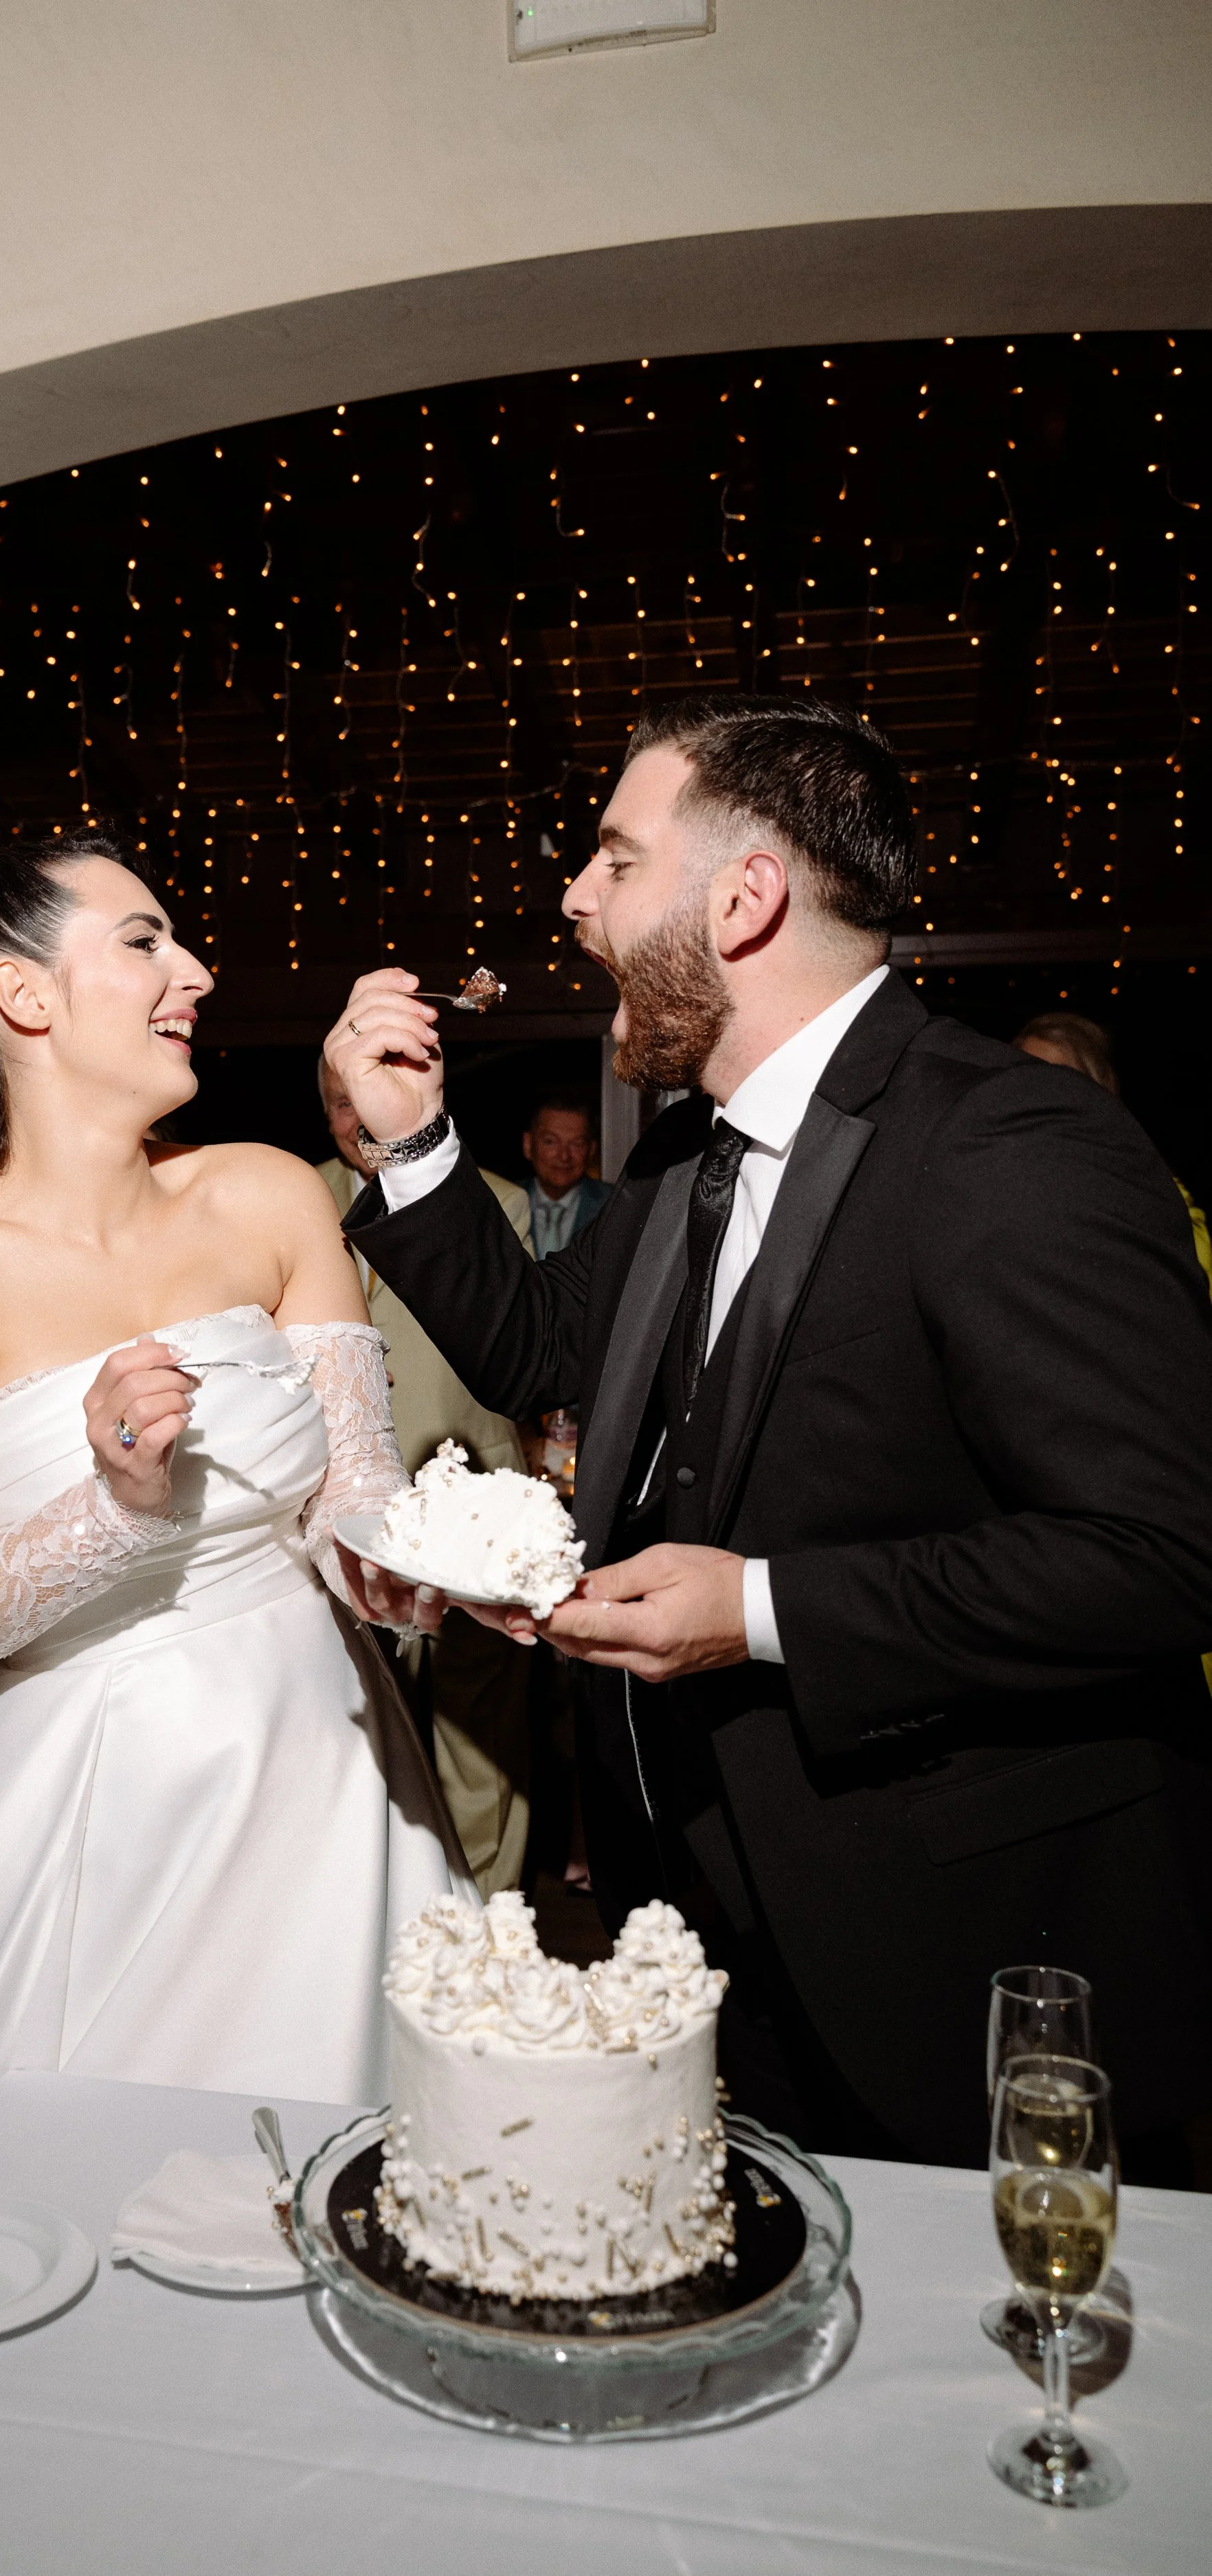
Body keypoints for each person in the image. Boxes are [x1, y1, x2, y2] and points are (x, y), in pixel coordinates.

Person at [324, 694, 1212, 2173]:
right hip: (715, 1924)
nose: (572, 897)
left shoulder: (1007, 1145)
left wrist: (751, 1610)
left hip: (967, 1948)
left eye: (612, 860)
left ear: (742, 900)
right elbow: (546, 1346)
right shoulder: (687, 1153)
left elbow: (1157, 1553)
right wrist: (412, 1148)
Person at [0, 833, 464, 2325]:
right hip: (76, 1816)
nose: (192, 972)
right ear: (22, 995)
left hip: (322, 1785)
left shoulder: (264, 1196)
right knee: (46, 2254)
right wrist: (117, 1516)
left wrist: (407, 1575)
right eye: (143, 940)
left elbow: (351, 1494)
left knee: (375, 2224)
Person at [315, 1055, 535, 1893]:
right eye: (340, 1105)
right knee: (363, 1726)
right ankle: (395, 1908)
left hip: (472, 1492)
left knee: (479, 1730)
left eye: (365, 1102)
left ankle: (488, 1912)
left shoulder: (491, 1201)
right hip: (342, 1508)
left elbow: (515, 1346)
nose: (357, 1121)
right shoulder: (293, 1201)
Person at [1015, 1009, 1212, 1287]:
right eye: (1026, 1080)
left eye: (1061, 1083)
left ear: (1099, 1091)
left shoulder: (1152, 1197)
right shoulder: (1006, 1176)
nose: (1040, 1098)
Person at [521, 1094, 611, 1258]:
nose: (564, 1156)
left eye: (577, 1144)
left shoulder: (613, 1205)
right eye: (551, 1142)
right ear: (528, 1145)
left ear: (591, 1150)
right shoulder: (502, 1204)